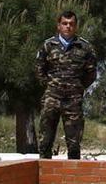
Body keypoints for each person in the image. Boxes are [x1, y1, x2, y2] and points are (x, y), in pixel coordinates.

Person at [35, 11, 97, 159]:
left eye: (71, 24)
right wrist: (50, 85)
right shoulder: (48, 45)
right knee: (45, 141)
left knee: (74, 143)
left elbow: (91, 74)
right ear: (58, 26)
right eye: (64, 23)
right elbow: (39, 69)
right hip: (52, 98)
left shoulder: (85, 47)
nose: (68, 26)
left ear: (75, 26)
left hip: (73, 101)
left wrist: (77, 87)